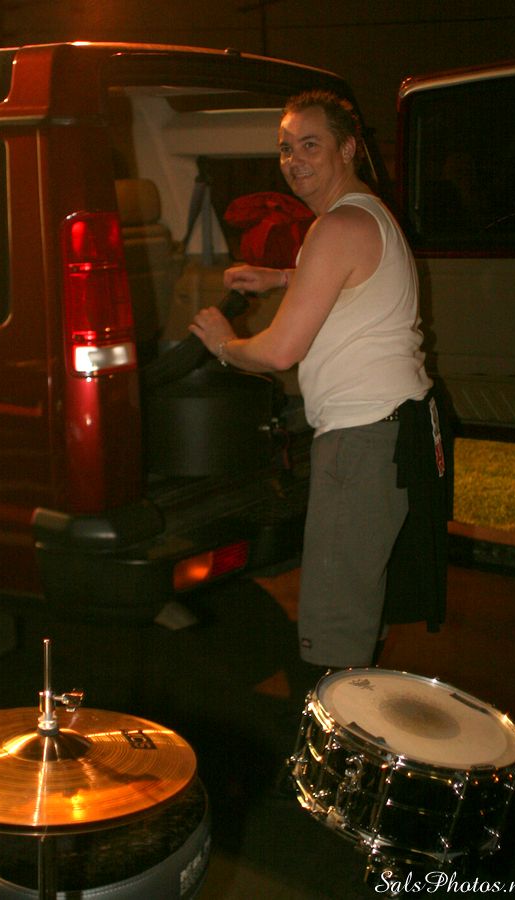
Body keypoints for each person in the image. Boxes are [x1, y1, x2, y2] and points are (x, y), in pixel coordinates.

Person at [189, 90, 442, 673]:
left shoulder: (337, 226)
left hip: (361, 440)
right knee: (360, 604)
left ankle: (330, 725)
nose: (294, 160)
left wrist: (222, 342)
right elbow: (352, 278)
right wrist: (282, 276)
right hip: (394, 430)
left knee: (333, 624)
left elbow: (279, 351)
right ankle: (360, 712)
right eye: (285, 148)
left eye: (310, 145)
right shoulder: (365, 213)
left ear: (348, 148)